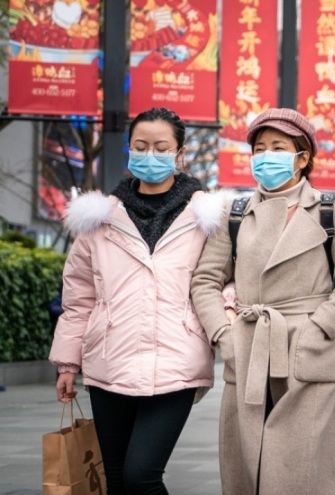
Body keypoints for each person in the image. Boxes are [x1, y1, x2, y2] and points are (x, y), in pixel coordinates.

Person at [190, 108, 335, 495]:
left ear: (302, 157)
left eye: (278, 147)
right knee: (247, 462)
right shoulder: (234, 212)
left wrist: (319, 328)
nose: (266, 156)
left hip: (307, 347)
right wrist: (225, 335)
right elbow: (205, 280)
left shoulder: (330, 210)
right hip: (250, 346)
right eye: (259, 148)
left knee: (300, 466)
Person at [49, 107, 221, 494]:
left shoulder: (207, 219)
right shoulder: (99, 221)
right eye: (141, 146)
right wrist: (66, 362)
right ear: (128, 150)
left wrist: (221, 330)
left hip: (177, 361)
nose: (150, 155)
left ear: (180, 154)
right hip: (108, 361)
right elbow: (78, 300)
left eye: (162, 147)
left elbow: (224, 283)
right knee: (114, 479)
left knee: (140, 475)